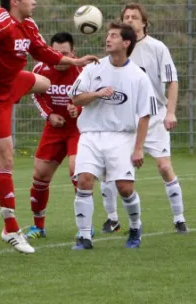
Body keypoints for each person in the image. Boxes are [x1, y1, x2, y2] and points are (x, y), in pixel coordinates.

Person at [0, 0, 98, 253]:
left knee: (47, 84)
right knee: (6, 160)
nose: (34, 1)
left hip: (12, 83)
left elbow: (43, 52)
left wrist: (74, 61)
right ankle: (10, 228)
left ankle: (8, 106)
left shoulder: (28, 25)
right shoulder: (1, 22)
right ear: (15, 1)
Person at [99, 3, 188, 234]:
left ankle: (179, 218)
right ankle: (112, 219)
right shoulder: (118, 50)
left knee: (164, 166)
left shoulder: (157, 48)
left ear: (144, 22)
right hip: (126, 119)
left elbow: (172, 81)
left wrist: (170, 111)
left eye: (134, 17)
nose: (130, 20)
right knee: (110, 170)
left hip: (155, 116)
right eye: (126, 16)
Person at [69, 22, 157, 250]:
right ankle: (84, 236)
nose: (108, 39)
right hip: (90, 134)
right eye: (108, 35)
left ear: (126, 43)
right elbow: (76, 99)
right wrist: (97, 94)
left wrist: (138, 148)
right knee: (84, 181)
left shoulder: (138, 76)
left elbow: (145, 115)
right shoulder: (93, 68)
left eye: (114, 36)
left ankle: (135, 227)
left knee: (125, 188)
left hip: (122, 136)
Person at [26, 32, 82, 239]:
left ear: (73, 53)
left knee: (77, 170)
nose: (60, 59)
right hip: (54, 128)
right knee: (40, 174)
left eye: (65, 54)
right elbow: (36, 94)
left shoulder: (83, 70)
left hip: (79, 128)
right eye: (55, 54)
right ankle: (38, 226)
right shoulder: (41, 69)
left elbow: (93, 98)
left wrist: (80, 109)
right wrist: (49, 115)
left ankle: (84, 226)